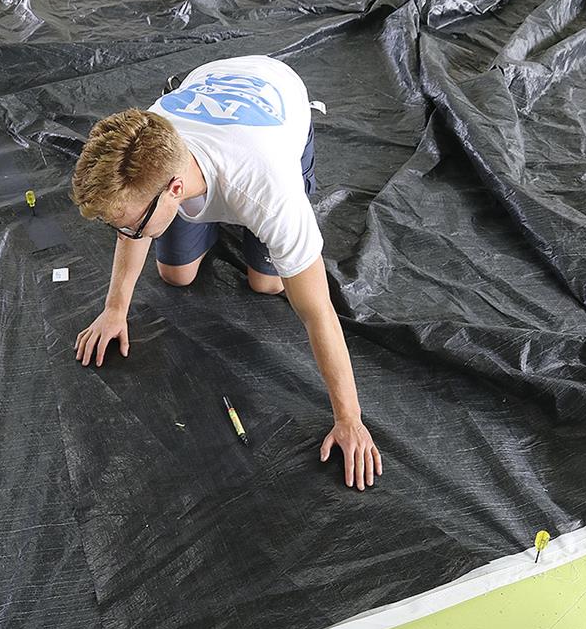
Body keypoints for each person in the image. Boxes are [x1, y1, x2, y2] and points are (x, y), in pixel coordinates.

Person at [70, 55, 382, 491]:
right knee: (176, 275)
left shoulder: (271, 192)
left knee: (268, 283)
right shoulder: (148, 136)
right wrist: (114, 308)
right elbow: (133, 231)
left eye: (130, 224)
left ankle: (224, 215)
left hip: (276, 99)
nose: (124, 234)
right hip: (212, 86)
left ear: (174, 189)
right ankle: (207, 212)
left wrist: (349, 418)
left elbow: (318, 312)